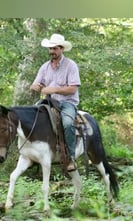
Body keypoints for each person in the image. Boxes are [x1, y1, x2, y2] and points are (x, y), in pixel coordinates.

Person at [30, 34, 81, 172]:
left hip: (67, 102)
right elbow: (37, 82)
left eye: (55, 48)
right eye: (50, 48)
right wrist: (35, 86)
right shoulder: (45, 67)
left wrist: (55, 89)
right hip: (48, 101)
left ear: (61, 49)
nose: (52, 51)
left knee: (68, 123)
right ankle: (33, 153)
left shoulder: (71, 65)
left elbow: (73, 88)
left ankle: (71, 157)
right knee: (30, 117)